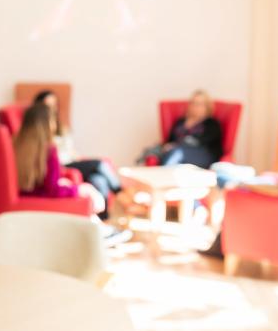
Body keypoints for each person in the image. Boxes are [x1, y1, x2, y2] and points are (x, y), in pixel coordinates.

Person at [199, 107, 278, 258]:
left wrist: (244, 184)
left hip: (276, 189)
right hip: (276, 182)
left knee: (219, 174)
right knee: (220, 170)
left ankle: (218, 236)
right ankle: (217, 233)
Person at [14, 103, 132, 245]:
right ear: (47, 123)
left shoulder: (15, 145)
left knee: (94, 179)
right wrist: (78, 189)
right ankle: (101, 232)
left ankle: (102, 230)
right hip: (44, 199)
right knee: (89, 185)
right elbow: (53, 190)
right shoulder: (48, 150)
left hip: (25, 197)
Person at [32, 90, 124, 220]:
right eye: (48, 105)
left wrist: (79, 158)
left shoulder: (61, 127)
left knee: (98, 179)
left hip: (72, 160)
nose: (52, 109)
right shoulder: (43, 139)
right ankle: (122, 194)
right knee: (100, 164)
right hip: (63, 164)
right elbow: (52, 186)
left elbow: (70, 150)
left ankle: (103, 220)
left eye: (54, 104)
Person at [158, 90, 223, 169]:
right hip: (175, 152)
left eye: (200, 104)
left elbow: (201, 142)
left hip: (201, 154)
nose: (196, 107)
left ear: (207, 106)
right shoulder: (180, 122)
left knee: (177, 153)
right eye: (193, 103)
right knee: (171, 153)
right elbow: (169, 141)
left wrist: (177, 145)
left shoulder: (211, 124)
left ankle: (163, 175)